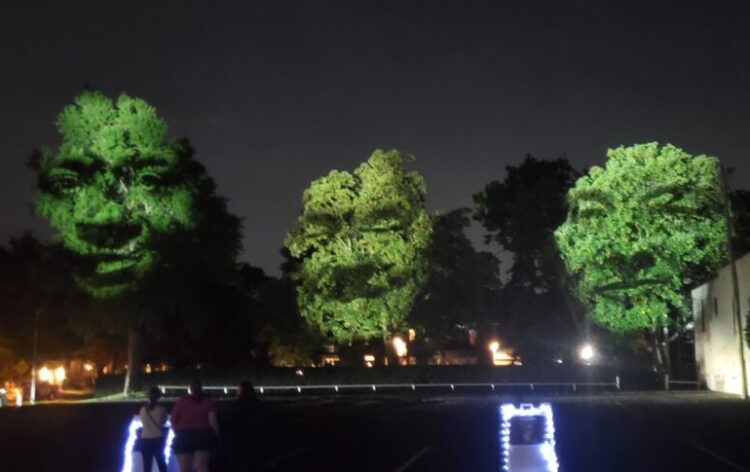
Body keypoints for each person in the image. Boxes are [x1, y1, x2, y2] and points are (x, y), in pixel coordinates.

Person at [171, 379, 220, 472]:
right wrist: (217, 436)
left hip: (184, 436)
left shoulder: (181, 402)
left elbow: (173, 421)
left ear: (190, 389)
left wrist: (178, 434)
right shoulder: (207, 402)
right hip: (202, 436)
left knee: (184, 468)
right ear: (201, 389)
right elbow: (213, 422)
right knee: (202, 466)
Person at [228, 380, 259, 471]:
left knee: (242, 459)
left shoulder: (238, 404)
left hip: (240, 435)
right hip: (253, 433)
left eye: (239, 388)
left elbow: (232, 418)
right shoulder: (256, 403)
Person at [138, 387, 169, 472]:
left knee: (147, 465)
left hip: (145, 438)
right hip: (158, 438)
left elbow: (142, 421)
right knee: (161, 463)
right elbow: (164, 421)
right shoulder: (162, 409)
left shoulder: (143, 409)